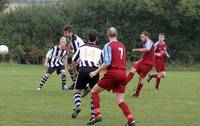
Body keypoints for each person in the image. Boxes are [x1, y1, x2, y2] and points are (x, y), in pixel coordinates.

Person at [87, 27, 135, 126]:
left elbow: (107, 62)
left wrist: (95, 72)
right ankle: (130, 120)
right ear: (116, 35)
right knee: (120, 100)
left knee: (94, 91)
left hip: (114, 73)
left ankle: (97, 114)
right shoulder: (122, 46)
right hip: (123, 74)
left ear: (107, 35)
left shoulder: (108, 45)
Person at [71, 29, 103, 120]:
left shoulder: (82, 47)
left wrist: (75, 72)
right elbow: (102, 63)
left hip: (83, 70)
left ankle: (78, 105)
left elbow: (73, 61)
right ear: (96, 38)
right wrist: (99, 72)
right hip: (94, 71)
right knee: (94, 93)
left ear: (88, 38)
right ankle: (93, 114)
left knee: (77, 91)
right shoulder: (100, 50)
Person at [126, 31, 155, 98]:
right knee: (132, 70)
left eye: (142, 37)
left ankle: (137, 94)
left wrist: (136, 49)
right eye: (141, 37)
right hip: (143, 62)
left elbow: (146, 50)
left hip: (148, 64)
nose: (141, 38)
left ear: (146, 36)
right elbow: (145, 55)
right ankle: (122, 86)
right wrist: (138, 61)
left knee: (140, 78)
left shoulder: (149, 42)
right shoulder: (146, 43)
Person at [63, 25, 85, 90]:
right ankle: (76, 84)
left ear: (69, 32)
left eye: (65, 33)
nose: (64, 34)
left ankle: (82, 86)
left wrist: (74, 63)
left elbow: (77, 52)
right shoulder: (72, 38)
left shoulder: (74, 40)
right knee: (71, 70)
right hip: (80, 57)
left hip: (82, 58)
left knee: (74, 71)